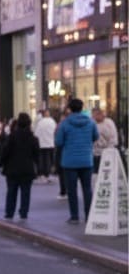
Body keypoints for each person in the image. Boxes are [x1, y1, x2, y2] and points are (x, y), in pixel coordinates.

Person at [55, 96, 98, 224]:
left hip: (69, 162)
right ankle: (88, 215)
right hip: (86, 160)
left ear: (70, 109)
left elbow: (58, 142)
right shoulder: (91, 122)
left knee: (72, 190)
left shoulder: (64, 124)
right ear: (82, 108)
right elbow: (96, 136)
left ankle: (74, 217)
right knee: (87, 189)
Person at [0, 111, 40, 219]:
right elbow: (36, 155)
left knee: (11, 191)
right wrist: (38, 167)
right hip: (27, 169)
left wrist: (1, 162)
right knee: (26, 192)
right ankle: (23, 212)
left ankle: (9, 212)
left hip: (12, 168)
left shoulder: (12, 137)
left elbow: (5, 151)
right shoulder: (33, 138)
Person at [92, 106, 118, 174]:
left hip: (107, 153)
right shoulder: (92, 123)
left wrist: (109, 149)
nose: (93, 117)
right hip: (94, 153)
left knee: (106, 173)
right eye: (93, 115)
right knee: (96, 173)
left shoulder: (109, 123)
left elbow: (113, 138)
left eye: (95, 115)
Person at [34, 108, 58, 182]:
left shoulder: (40, 122)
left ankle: (41, 173)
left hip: (41, 144)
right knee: (48, 159)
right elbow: (55, 131)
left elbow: (36, 133)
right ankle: (47, 173)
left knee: (41, 159)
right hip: (50, 143)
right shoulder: (52, 121)